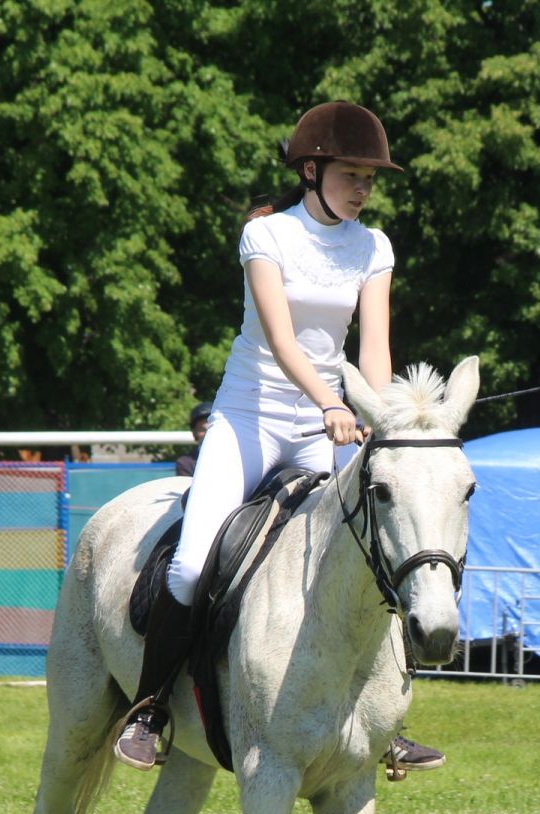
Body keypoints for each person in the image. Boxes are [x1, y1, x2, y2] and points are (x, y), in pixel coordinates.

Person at [113, 103, 443, 775]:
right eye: (352, 175)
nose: (363, 189)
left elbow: (373, 348)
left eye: (370, 180)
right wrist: (329, 401)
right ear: (312, 170)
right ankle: (149, 709)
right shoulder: (267, 239)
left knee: (372, 557)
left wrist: (381, 418)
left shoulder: (373, 248)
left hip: (331, 423)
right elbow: (282, 340)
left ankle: (384, 721)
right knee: (194, 560)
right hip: (250, 419)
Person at [173, 401, 211, 478]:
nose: (208, 434)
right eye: (202, 429)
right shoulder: (185, 463)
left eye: (211, 429)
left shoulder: (236, 459)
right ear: (194, 433)